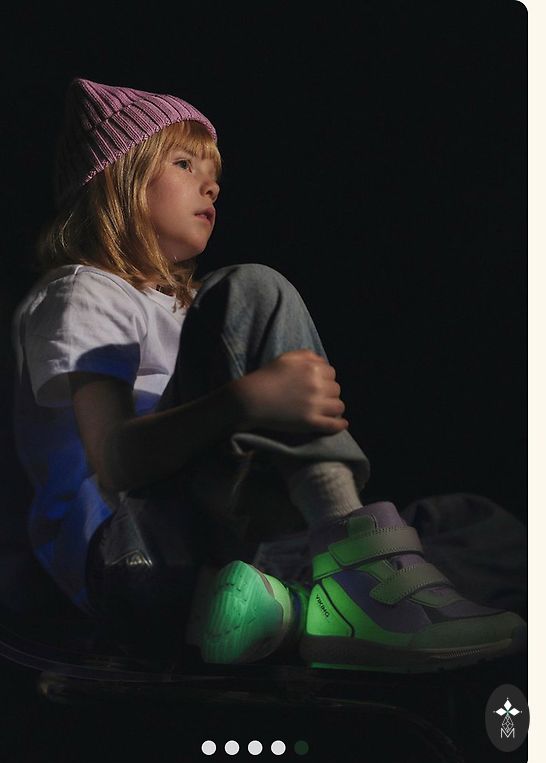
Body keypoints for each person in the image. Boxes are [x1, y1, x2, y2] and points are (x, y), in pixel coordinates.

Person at [12, 77, 525, 672]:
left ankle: (281, 609)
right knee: (253, 287)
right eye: (184, 163)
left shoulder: (184, 310)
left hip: (222, 555)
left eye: (214, 175)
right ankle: (350, 564)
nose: (211, 185)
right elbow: (116, 463)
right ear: (116, 179)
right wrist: (244, 401)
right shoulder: (82, 291)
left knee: (483, 528)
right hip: (136, 558)